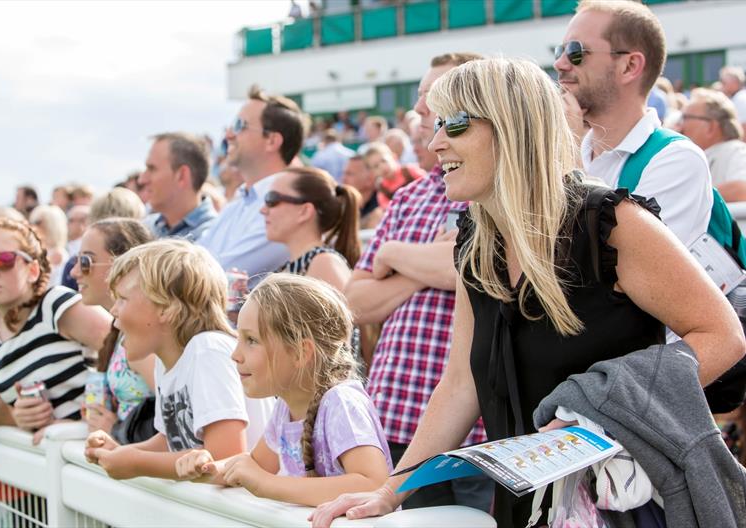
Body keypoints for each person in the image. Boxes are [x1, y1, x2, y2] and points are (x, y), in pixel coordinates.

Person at [312, 57, 745, 528]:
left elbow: (723, 335)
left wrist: (605, 411)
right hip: (527, 508)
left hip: (628, 506)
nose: (436, 143)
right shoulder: (477, 244)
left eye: (454, 124)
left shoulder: (608, 223)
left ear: (512, 125)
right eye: (436, 125)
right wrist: (389, 491)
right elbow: (460, 385)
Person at [343, 51, 491, 514]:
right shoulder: (409, 196)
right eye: (422, 96)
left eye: (437, 96)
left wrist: (395, 258)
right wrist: (419, 263)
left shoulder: (490, 188)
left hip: (474, 435)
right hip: (396, 415)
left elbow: (465, 267)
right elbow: (356, 303)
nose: (423, 109)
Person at [175, 274, 391, 506]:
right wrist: (207, 467)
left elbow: (373, 484)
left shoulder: (341, 403)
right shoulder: (285, 407)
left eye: (251, 340)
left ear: (300, 352)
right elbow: (254, 465)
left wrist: (267, 485)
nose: (235, 355)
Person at [83, 240, 274, 480]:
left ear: (166, 308)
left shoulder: (207, 350)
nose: (113, 311)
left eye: (122, 298)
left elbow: (226, 455)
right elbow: (171, 441)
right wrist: (121, 452)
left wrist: (137, 463)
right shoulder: (168, 361)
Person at [555, 0, 711, 247]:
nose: (560, 63)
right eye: (559, 51)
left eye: (576, 52)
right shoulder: (573, 153)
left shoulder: (677, 160)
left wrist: (569, 154)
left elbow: (621, 266)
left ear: (629, 66)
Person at [0, 217, 112, 456]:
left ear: (32, 270)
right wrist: (17, 415)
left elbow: (129, 353)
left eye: (4, 260)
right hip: (48, 466)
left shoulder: (57, 305)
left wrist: (81, 426)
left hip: (95, 455)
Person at [198, 86, 305, 279]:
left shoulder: (287, 207)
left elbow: (212, 277)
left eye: (240, 125)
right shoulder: (239, 202)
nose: (229, 135)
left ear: (272, 141)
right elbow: (196, 259)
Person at [68, 218, 157, 441]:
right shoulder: (123, 332)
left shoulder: (144, 338)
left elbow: (179, 417)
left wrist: (118, 429)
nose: (74, 272)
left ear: (123, 264)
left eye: (86, 261)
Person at [261, 167, 360, 294]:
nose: (263, 210)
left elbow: (348, 313)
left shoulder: (323, 262)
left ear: (304, 211)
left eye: (272, 199)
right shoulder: (301, 264)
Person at [139, 132, 218, 241]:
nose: (142, 179)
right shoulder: (145, 229)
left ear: (182, 175)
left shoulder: (214, 238)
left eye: (152, 169)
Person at [680, 88, 746, 202]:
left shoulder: (735, 151)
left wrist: (685, 197)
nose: (680, 126)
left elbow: (742, 189)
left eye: (686, 118)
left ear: (711, 126)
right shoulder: (692, 155)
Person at [362, 143, 425, 210]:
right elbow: (389, 210)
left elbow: (428, 183)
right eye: (376, 166)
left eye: (384, 161)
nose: (382, 167)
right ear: (372, 173)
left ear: (394, 156)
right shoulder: (383, 190)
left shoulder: (409, 171)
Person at [342, 156, 382, 230]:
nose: (343, 179)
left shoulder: (382, 207)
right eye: (344, 173)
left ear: (370, 179)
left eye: (350, 174)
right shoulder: (343, 205)